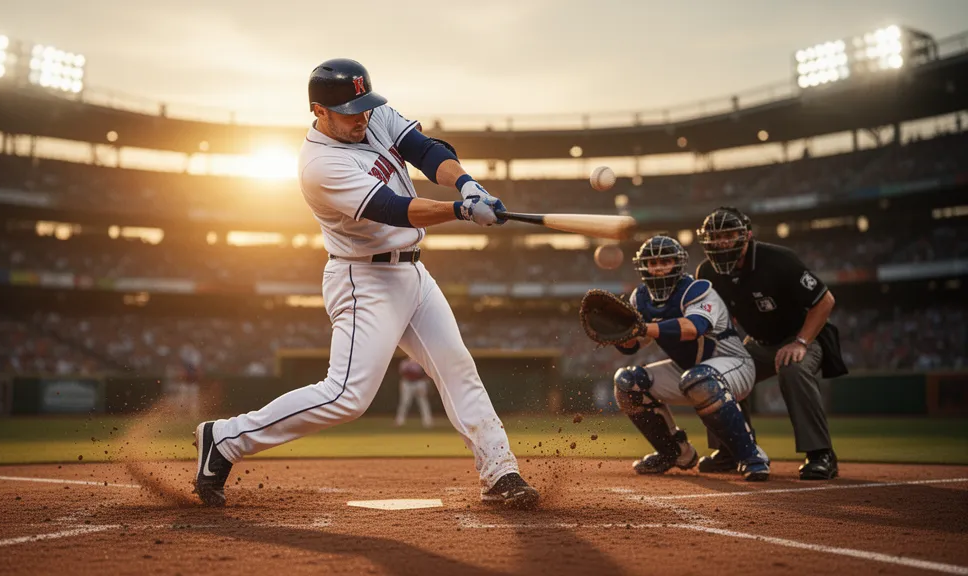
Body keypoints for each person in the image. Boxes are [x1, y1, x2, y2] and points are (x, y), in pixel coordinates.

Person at [192, 58, 539, 509]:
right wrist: (459, 211)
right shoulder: (318, 165)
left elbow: (426, 150)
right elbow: (393, 209)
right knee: (346, 396)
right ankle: (224, 439)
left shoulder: (370, 117)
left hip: (413, 272)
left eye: (364, 106)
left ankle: (500, 471)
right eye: (349, 110)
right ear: (319, 111)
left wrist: (467, 185)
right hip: (364, 278)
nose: (362, 117)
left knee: (458, 368)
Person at [695, 206, 847, 480]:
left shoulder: (779, 260)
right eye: (715, 237)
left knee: (793, 368)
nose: (721, 243)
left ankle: (821, 454)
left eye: (728, 235)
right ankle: (733, 450)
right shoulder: (707, 271)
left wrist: (800, 342)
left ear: (747, 235)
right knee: (715, 374)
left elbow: (825, 301)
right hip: (759, 342)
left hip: (802, 337)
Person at [610, 235, 770, 481]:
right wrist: (619, 335)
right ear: (644, 267)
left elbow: (693, 327)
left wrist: (642, 328)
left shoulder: (698, 290)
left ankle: (751, 456)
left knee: (700, 380)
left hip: (732, 362)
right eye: (653, 263)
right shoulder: (640, 298)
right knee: (627, 382)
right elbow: (634, 345)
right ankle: (674, 452)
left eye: (667, 260)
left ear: (678, 263)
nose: (660, 267)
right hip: (689, 371)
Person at [395, 358, 434, 428]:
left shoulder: (421, 362)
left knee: (423, 402)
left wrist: (425, 384)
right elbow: (402, 373)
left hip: (419, 383)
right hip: (407, 383)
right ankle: (399, 421)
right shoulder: (404, 363)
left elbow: (426, 374)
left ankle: (427, 421)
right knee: (405, 402)